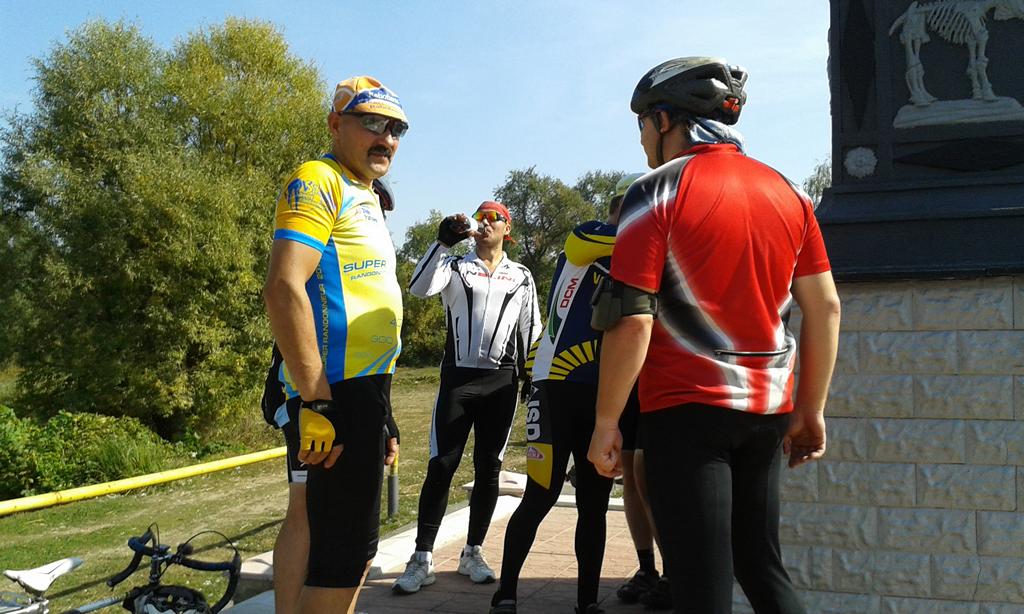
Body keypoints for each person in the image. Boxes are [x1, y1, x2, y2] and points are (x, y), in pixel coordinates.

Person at [587, 57, 841, 614]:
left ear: (664, 120)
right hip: (768, 411)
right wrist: (811, 408)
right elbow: (825, 306)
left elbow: (633, 317)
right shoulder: (790, 192)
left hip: (686, 411)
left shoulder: (654, 191)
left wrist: (606, 420)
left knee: (701, 587)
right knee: (761, 568)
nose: (641, 138)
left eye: (641, 125)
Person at [263, 75, 408, 614]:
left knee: (316, 522)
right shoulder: (319, 179)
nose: (385, 138)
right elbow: (283, 287)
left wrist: (384, 413)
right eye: (371, 123)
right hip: (334, 391)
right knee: (347, 556)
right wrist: (318, 400)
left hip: (361, 388)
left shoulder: (365, 193)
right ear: (334, 125)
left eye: (395, 129)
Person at [488, 173, 643, 614]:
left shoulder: (641, 261)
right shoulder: (588, 236)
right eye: (636, 206)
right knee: (541, 494)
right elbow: (588, 246)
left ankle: (587, 602)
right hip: (555, 386)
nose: (644, 216)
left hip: (603, 396)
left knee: (594, 505)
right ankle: (505, 593)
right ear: (617, 208)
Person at [393, 201, 542, 595]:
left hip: (501, 382)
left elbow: (532, 328)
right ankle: (421, 558)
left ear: (507, 228)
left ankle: (473, 552)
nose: (486, 222)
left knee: (489, 468)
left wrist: (534, 376)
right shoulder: (456, 266)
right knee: (441, 464)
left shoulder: (521, 275)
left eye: (495, 218)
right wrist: (442, 243)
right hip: (458, 380)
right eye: (482, 217)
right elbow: (418, 287)